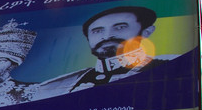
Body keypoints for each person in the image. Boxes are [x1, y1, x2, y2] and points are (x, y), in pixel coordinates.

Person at [34, 6, 176, 99]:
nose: (107, 36)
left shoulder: (174, 67)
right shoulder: (56, 87)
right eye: (97, 31)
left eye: (120, 27)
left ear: (146, 31)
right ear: (88, 38)